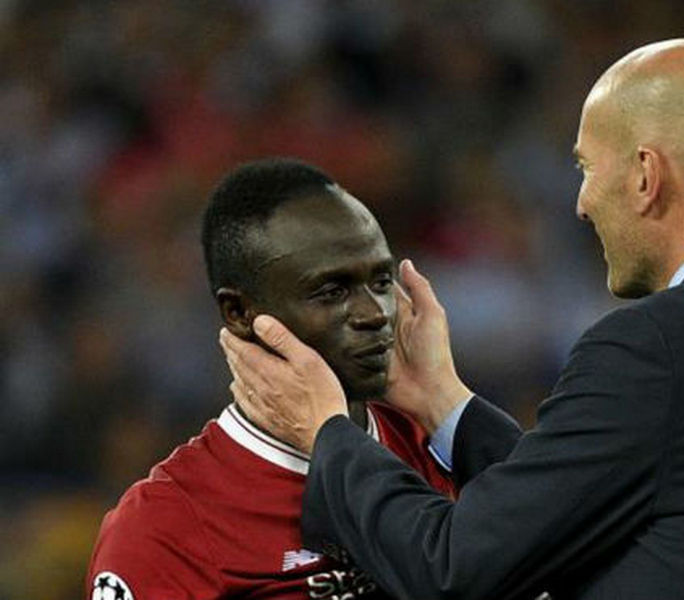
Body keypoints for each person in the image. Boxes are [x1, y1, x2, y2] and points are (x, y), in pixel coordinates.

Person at [222, 39, 684, 599]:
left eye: (586, 167)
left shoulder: (655, 345)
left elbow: (450, 567)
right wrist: (443, 402)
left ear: (645, 176)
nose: (580, 202)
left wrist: (327, 430)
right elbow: (601, 503)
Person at [86, 159, 454, 599]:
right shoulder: (164, 528)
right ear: (240, 313)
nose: (374, 314)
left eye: (380, 281)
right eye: (332, 291)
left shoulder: (442, 447)